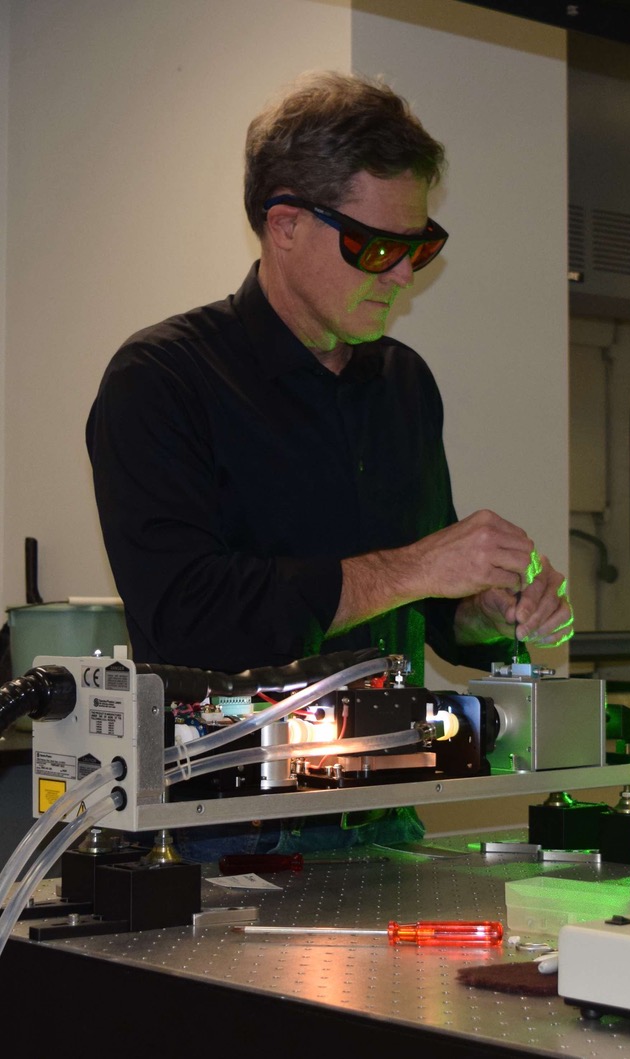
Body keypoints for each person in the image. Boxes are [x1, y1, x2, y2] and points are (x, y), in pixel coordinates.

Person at [85, 71, 573, 856]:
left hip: (389, 815)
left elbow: (428, 607)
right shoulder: (163, 380)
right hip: (223, 834)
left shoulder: (403, 384)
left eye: (419, 246)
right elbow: (189, 618)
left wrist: (483, 613)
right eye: (375, 247)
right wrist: (414, 568)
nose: (403, 274)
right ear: (285, 225)